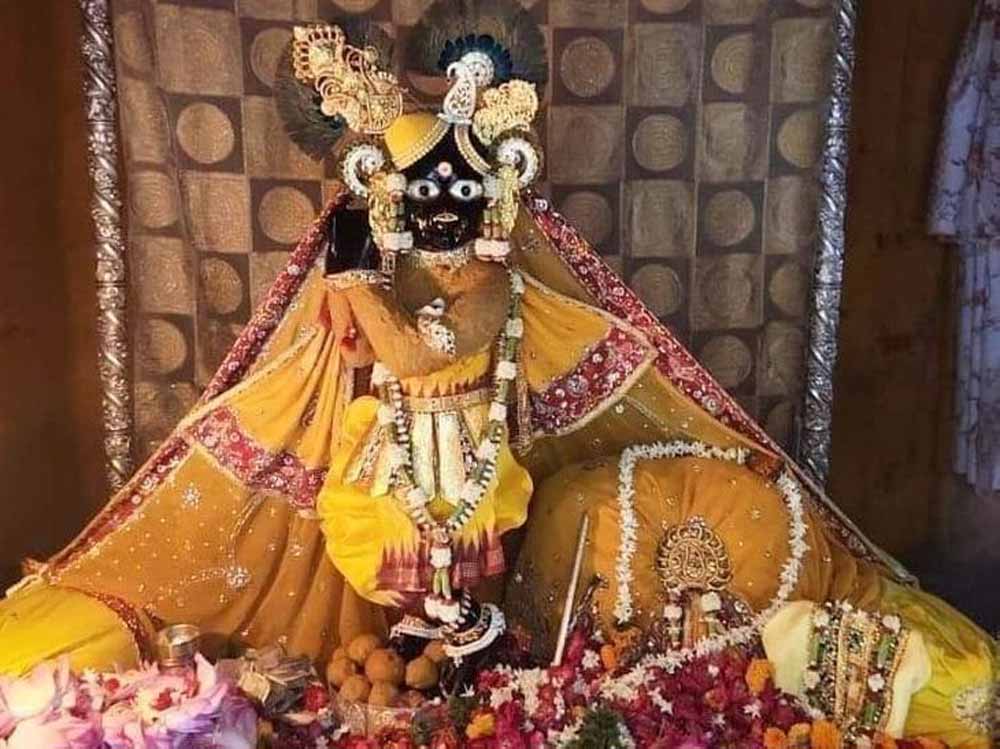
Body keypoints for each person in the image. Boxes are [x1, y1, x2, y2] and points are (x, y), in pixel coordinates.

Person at [0, 3, 992, 744]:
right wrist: (352, 285)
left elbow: (424, 350)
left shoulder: (486, 277)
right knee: (399, 582)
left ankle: (464, 679)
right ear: (385, 197)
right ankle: (422, 681)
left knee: (471, 581)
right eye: (414, 193)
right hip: (392, 457)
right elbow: (368, 351)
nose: (438, 210)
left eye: (454, 191)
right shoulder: (380, 262)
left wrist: (360, 286)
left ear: (484, 195)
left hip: (473, 455)